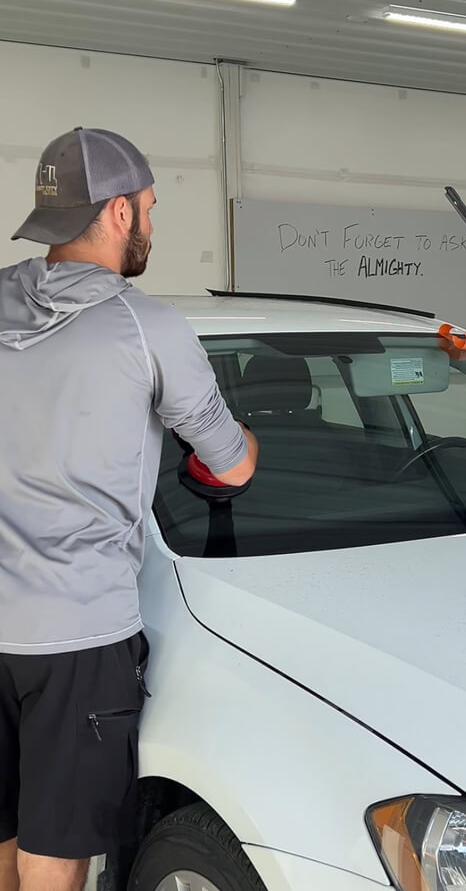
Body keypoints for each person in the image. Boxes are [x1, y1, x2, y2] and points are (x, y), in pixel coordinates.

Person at [0, 128, 258, 891]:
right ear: (117, 212)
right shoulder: (149, 327)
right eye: (148, 207)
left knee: (8, 830)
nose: (152, 222)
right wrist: (241, 434)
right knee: (60, 844)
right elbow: (232, 465)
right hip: (77, 634)